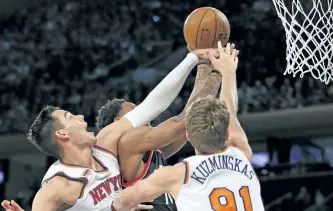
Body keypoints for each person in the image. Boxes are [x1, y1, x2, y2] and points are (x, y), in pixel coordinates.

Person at [2, 49, 218, 211]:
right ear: (62, 134)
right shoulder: (58, 185)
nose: (81, 117)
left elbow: (152, 105)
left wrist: (192, 58)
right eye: (70, 117)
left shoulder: (105, 142)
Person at [111, 42, 265, 211]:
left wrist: (206, 67)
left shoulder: (177, 173)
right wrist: (225, 71)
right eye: (136, 117)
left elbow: (120, 203)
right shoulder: (241, 155)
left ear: (189, 137)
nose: (145, 118)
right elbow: (228, 115)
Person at [94, 61, 223, 211]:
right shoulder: (129, 141)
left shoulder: (146, 151)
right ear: (118, 122)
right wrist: (218, 73)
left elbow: (187, 123)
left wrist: (203, 66)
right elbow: (186, 119)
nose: (145, 115)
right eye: (136, 112)